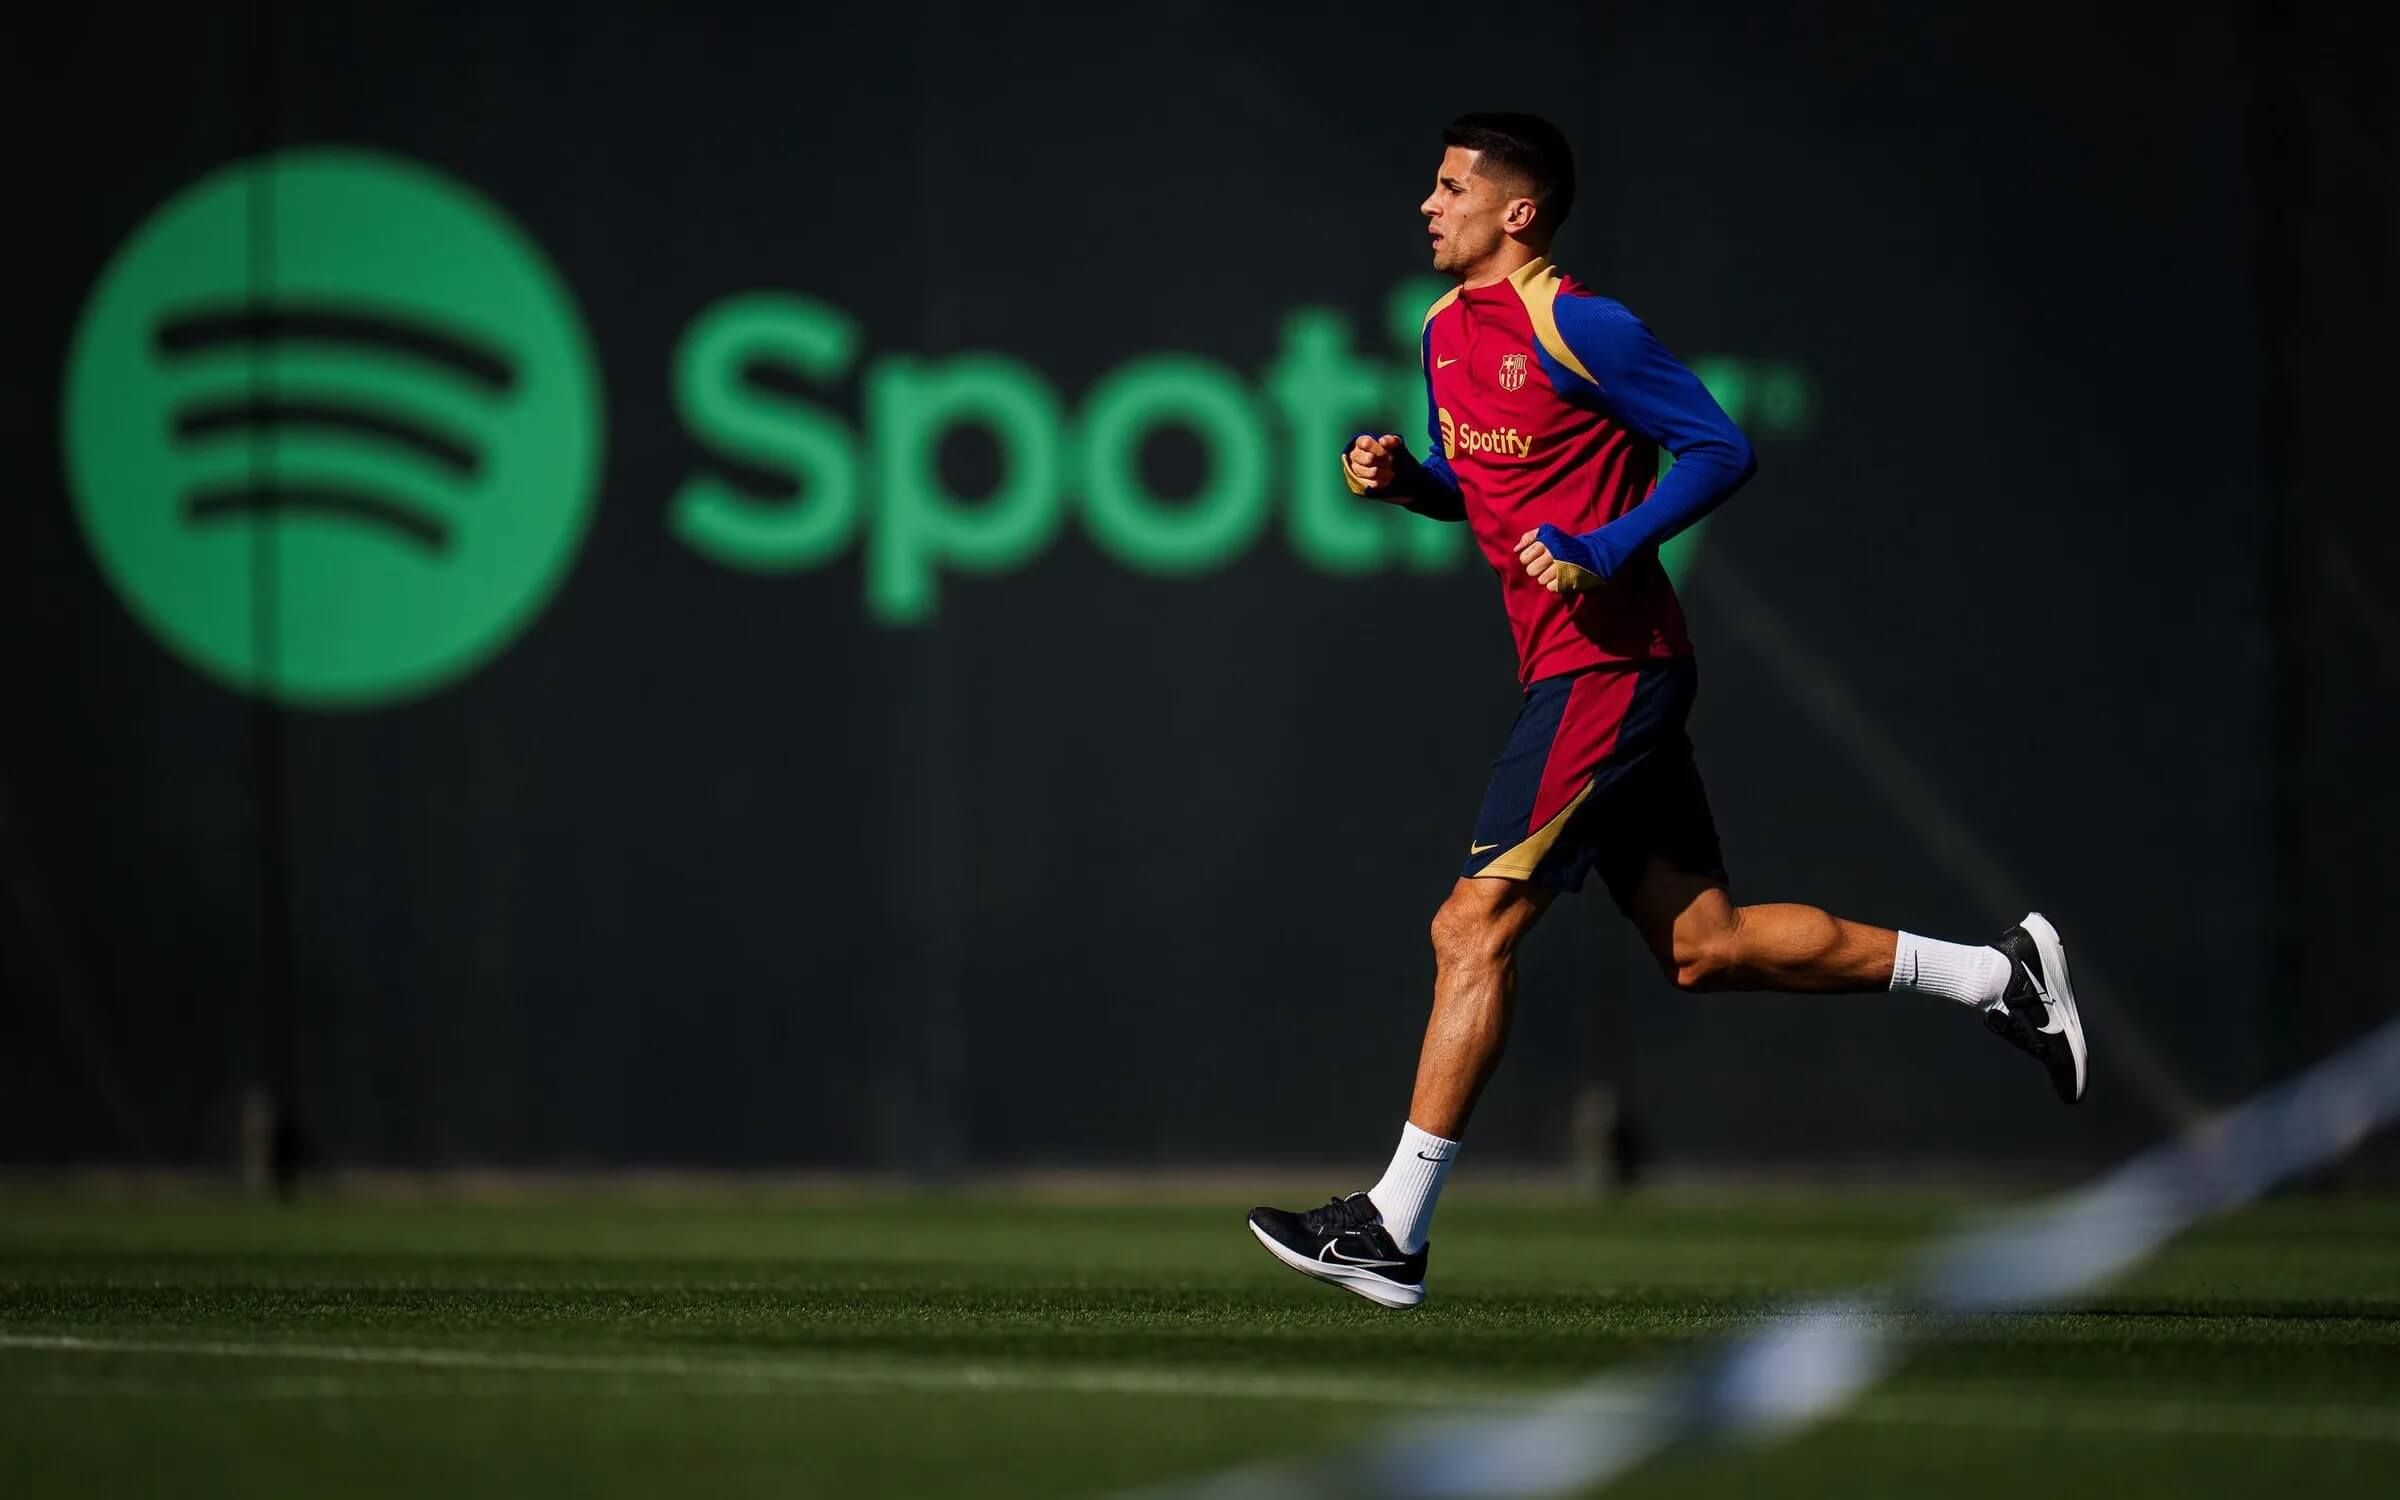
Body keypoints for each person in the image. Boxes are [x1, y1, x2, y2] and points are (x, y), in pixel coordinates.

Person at [1246, 113, 2088, 1309]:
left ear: (1516, 213)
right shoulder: (1442, 330)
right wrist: (1407, 485)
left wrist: (1607, 542)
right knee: (1706, 947)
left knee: (1468, 925)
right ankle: (1998, 978)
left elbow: (1717, 446)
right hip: (1572, 667)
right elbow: (1485, 492)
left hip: (1613, 666)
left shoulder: (1582, 324)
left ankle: (1394, 1226)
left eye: (1449, 188)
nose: (1427, 205)